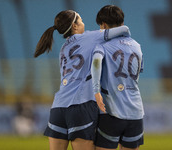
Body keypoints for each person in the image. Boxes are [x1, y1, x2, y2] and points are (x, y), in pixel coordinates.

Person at [34, 10, 130, 150]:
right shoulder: (92, 37)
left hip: (58, 107)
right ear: (74, 26)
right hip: (80, 106)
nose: (84, 23)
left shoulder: (64, 47)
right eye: (81, 19)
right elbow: (124, 29)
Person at [91, 5, 144, 150]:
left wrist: (96, 91)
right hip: (135, 113)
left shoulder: (102, 45)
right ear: (121, 23)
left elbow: (95, 63)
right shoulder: (137, 46)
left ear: (104, 25)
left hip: (111, 111)